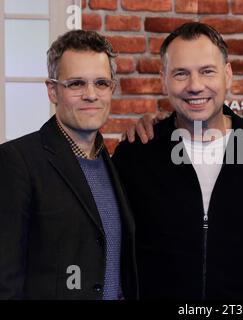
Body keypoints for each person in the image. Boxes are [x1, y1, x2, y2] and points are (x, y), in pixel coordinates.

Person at [112, 22, 243, 300]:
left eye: (207, 71)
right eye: (181, 74)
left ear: (227, 75)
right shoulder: (136, 153)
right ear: (163, 78)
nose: (195, 86)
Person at [0, 30, 138, 299]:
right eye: (76, 84)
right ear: (52, 90)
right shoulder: (16, 161)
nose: (91, 95)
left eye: (101, 83)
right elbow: (5, 278)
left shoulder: (114, 164)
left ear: (111, 88)